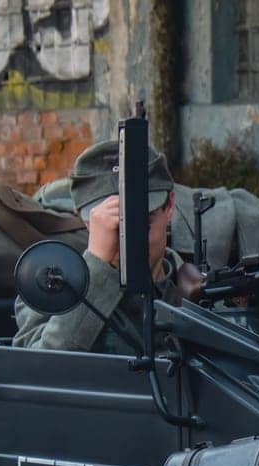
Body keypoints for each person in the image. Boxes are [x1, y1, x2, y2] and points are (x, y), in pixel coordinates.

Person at [13, 140, 200, 353]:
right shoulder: (51, 290)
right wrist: (97, 269)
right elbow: (39, 370)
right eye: (111, 226)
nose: (127, 239)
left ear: (168, 206)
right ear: (85, 220)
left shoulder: (191, 286)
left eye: (141, 223)